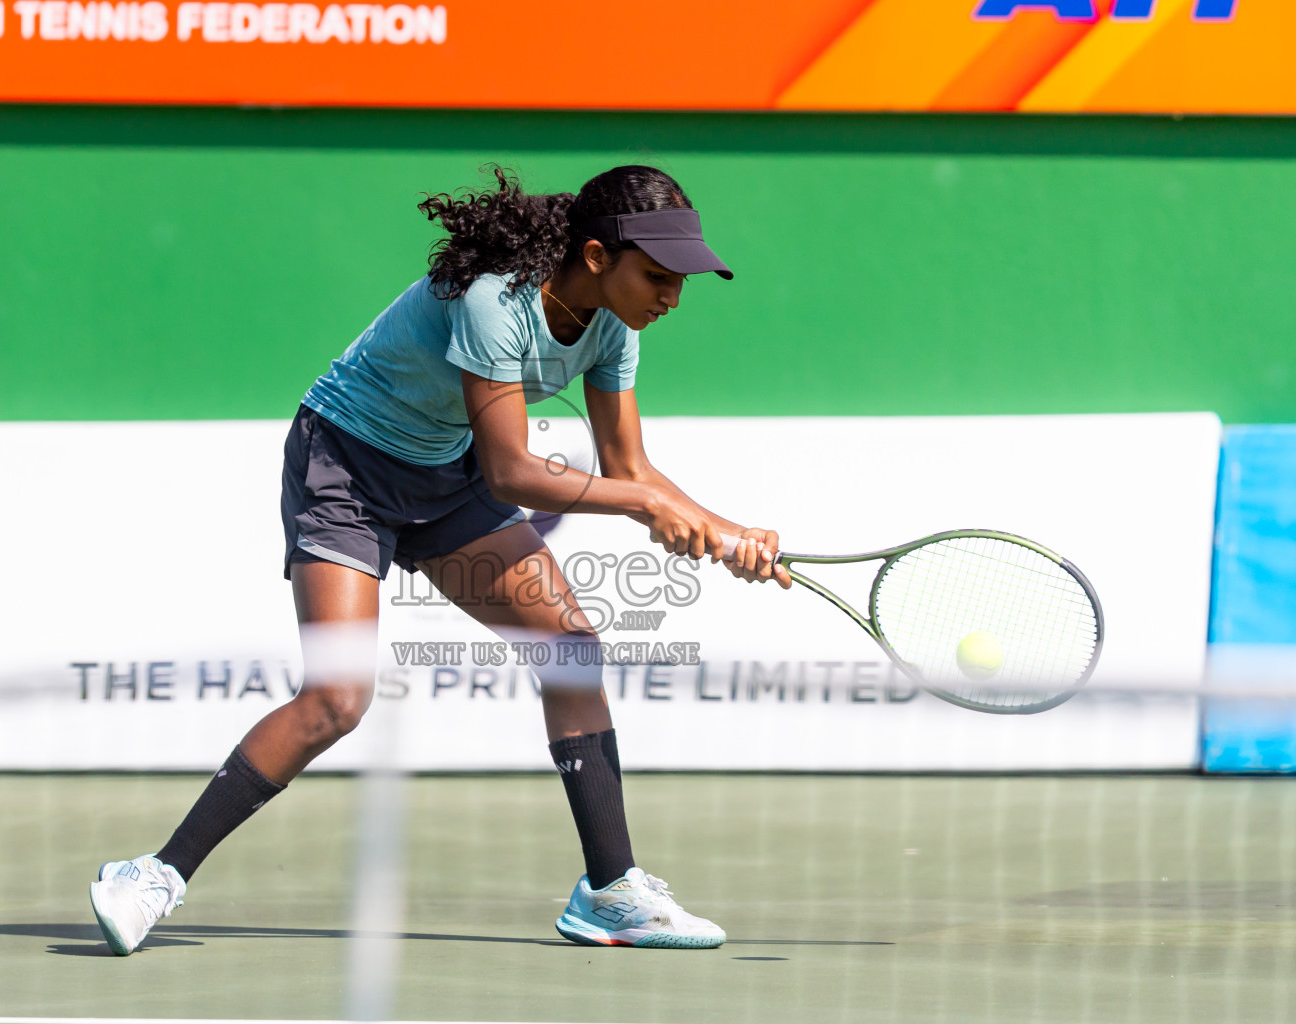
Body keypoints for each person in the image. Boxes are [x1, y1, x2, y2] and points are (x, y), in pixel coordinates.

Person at [88, 164, 791, 956]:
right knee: (337, 700)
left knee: (568, 652)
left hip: (442, 476)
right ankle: (153, 875)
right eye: (658, 277)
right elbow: (514, 473)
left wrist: (730, 532)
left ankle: (610, 893)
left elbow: (630, 467)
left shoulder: (614, 330)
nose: (671, 297)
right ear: (596, 257)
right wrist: (651, 507)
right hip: (345, 464)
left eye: (683, 282)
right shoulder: (499, 299)